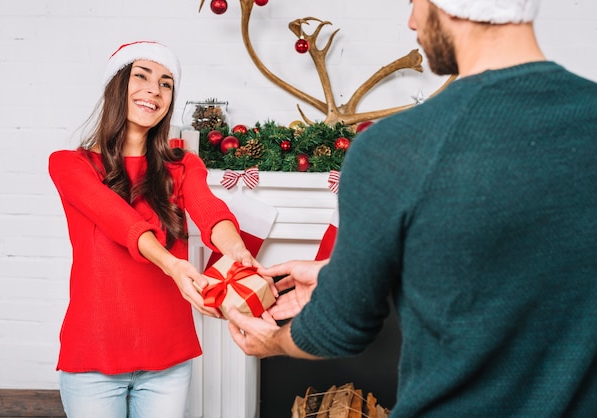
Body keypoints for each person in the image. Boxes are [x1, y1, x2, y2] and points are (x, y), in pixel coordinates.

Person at [226, 0, 597, 416]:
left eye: (415, 2)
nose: (411, 21)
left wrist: (272, 340)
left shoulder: (396, 147)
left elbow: (340, 330)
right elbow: (518, 266)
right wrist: (341, 275)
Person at [49, 40, 255, 418]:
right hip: (93, 359)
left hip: (167, 363)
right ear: (116, 86)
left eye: (166, 83)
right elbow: (119, 219)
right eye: (141, 77)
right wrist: (173, 265)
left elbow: (209, 210)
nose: (154, 90)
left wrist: (236, 250)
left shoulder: (182, 165)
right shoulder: (70, 165)